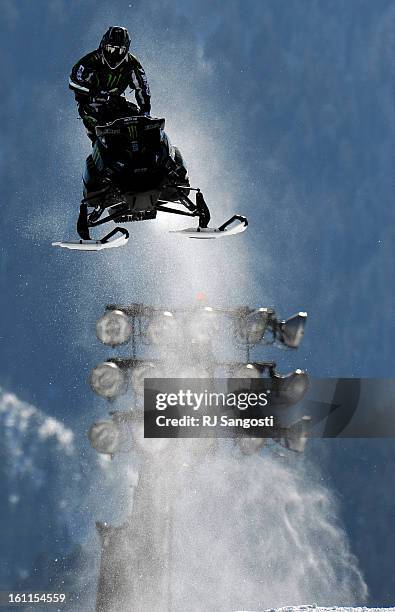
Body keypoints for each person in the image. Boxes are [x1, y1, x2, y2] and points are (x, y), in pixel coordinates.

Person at [69, 26, 151, 142]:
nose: (115, 54)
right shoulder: (91, 60)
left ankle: (159, 149)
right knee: (98, 129)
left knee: (138, 118)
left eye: (120, 50)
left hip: (115, 102)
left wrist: (145, 111)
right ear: (104, 45)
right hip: (91, 105)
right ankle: (102, 148)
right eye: (111, 49)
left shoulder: (132, 62)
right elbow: (73, 81)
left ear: (126, 49)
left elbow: (142, 86)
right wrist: (95, 92)